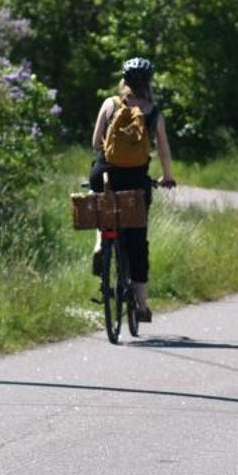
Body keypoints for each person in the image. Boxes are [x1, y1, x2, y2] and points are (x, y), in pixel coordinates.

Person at [89, 56, 177, 324]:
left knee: (102, 208)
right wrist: (167, 177)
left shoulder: (110, 104)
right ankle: (141, 304)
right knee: (138, 241)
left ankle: (99, 243)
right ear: (149, 83)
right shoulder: (153, 112)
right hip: (137, 181)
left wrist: (106, 161)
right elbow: (163, 150)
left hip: (105, 174)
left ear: (124, 81)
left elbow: (96, 142)